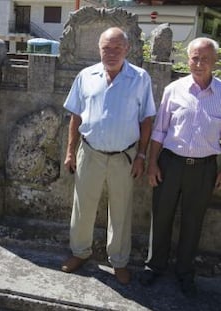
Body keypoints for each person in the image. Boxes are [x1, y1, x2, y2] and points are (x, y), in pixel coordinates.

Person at [61, 27, 156, 284]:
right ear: (99, 49)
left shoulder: (140, 78)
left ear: (127, 49)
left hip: (124, 156)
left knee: (121, 211)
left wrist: (141, 157)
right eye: (106, 48)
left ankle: (119, 261)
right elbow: (76, 116)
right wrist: (70, 151)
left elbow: (147, 119)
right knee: (82, 208)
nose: (111, 53)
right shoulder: (85, 76)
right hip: (90, 152)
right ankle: (80, 253)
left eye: (117, 48)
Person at [139, 37, 221, 297]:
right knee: (161, 216)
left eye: (205, 58)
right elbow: (160, 130)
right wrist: (152, 162)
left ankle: (185, 273)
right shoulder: (174, 89)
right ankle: (154, 267)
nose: (198, 63)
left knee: (193, 222)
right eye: (194, 58)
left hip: (205, 168)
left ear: (215, 62)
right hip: (170, 163)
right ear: (187, 60)